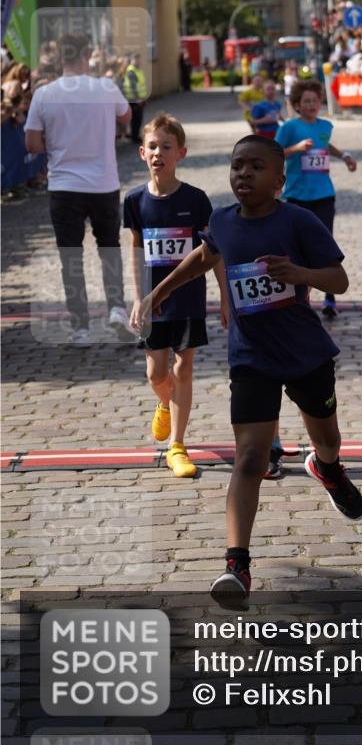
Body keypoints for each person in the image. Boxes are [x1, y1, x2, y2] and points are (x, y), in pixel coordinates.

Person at [136, 134, 362, 609]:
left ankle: (328, 470)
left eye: (256, 167)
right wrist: (158, 292)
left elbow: (338, 278)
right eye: (237, 165)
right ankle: (236, 566)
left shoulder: (298, 220)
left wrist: (301, 275)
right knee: (249, 459)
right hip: (251, 357)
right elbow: (205, 255)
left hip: (304, 352)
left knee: (327, 437)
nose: (244, 174)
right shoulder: (221, 221)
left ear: (280, 179)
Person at [124, 114, 228, 478]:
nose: (158, 153)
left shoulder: (197, 200)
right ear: (141, 153)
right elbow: (136, 251)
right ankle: (164, 404)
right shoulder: (135, 201)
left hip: (188, 299)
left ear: (180, 153)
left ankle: (177, 445)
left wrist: (225, 298)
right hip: (154, 305)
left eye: (166, 147)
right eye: (152, 146)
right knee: (156, 374)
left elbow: (212, 253)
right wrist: (139, 298)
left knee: (184, 366)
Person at [24, 33, 135, 345]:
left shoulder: (44, 95)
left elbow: (32, 144)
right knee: (109, 248)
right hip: (104, 183)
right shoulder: (105, 87)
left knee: (70, 257)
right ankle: (116, 309)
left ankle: (80, 328)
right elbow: (126, 115)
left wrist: (59, 145)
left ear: (60, 57)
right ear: (88, 53)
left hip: (64, 185)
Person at [276, 78, 356, 319]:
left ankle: (329, 298)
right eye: (306, 101)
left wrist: (344, 156)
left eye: (315, 101)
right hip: (297, 196)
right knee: (298, 249)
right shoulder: (289, 128)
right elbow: (272, 152)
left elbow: (325, 144)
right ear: (297, 105)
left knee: (325, 247)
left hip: (324, 195)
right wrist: (295, 148)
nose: (311, 105)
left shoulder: (325, 125)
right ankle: (301, 297)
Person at [122, 52, 149, 143]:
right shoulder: (131, 71)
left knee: (138, 118)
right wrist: (138, 99)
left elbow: (141, 85)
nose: (138, 61)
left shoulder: (138, 70)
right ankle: (134, 137)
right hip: (134, 99)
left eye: (139, 59)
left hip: (139, 98)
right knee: (136, 119)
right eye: (136, 59)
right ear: (132, 60)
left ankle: (135, 135)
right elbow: (133, 86)